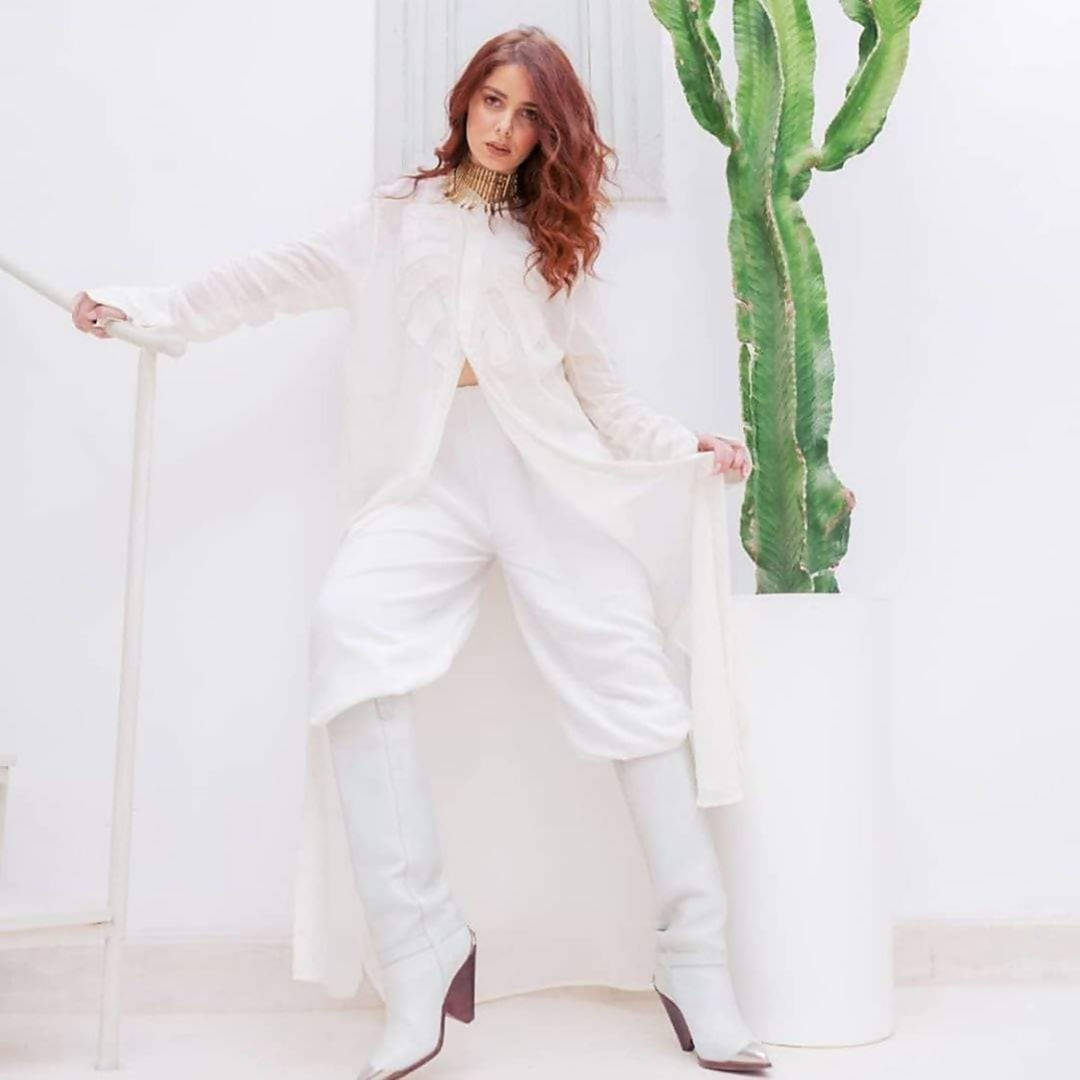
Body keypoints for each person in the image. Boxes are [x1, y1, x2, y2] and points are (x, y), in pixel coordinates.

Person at [73, 25, 769, 1080]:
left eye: (528, 114)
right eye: (493, 101)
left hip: (545, 476)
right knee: (349, 642)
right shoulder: (396, 219)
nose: (505, 127)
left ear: (549, 133)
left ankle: (695, 956)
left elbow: (602, 392)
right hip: (425, 481)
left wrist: (684, 448)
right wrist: (144, 306)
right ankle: (419, 946)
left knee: (632, 683)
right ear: (464, 100)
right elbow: (269, 279)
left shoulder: (555, 241)